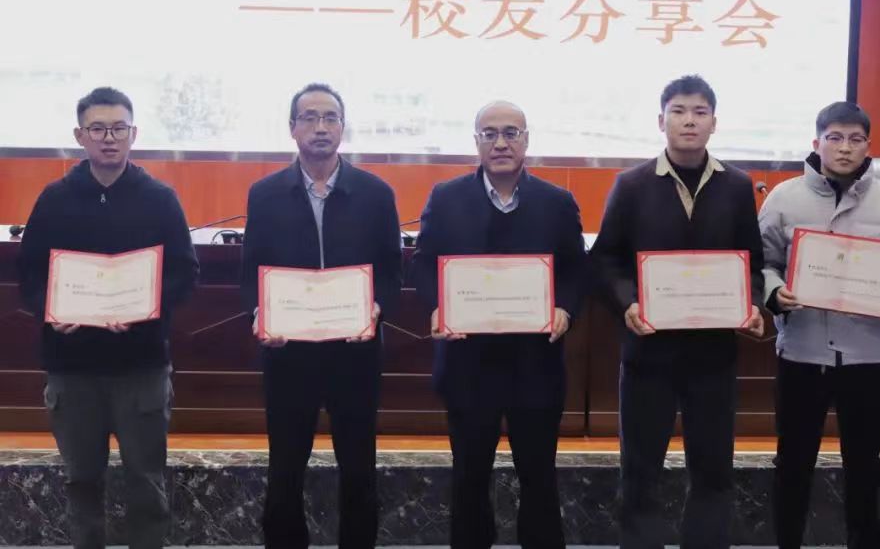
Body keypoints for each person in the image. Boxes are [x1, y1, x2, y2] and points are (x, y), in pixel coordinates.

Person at [17, 86, 199, 549]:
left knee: (147, 481)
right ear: (80, 136)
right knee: (81, 482)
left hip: (141, 367)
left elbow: (185, 273)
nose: (109, 138)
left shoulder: (160, 199)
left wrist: (145, 309)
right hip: (72, 369)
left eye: (119, 128)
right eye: (97, 129)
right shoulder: (54, 199)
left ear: (134, 134)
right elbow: (29, 274)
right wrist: (50, 312)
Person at [591, 74, 765, 549]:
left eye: (699, 112)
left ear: (714, 123)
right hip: (649, 353)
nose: (689, 121)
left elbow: (752, 261)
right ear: (661, 120)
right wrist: (627, 302)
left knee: (713, 471)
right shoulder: (631, 185)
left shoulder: (737, 186)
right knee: (640, 471)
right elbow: (606, 259)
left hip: (713, 355)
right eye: (679, 112)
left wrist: (751, 303)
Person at [410, 100, 588, 549]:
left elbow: (576, 270)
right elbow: (424, 263)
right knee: (469, 480)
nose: (501, 142)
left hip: (535, 366)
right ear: (476, 141)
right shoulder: (446, 198)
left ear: (527, 140)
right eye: (489, 134)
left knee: (539, 480)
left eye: (511, 132)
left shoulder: (556, 202)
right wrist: (437, 305)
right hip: (468, 365)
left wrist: (565, 308)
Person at [241, 83, 402, 549]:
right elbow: (251, 271)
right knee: (285, 470)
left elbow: (392, 271)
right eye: (309, 117)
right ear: (292, 128)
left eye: (330, 117)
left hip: (355, 355)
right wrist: (260, 313)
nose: (320, 127)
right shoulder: (265, 194)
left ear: (342, 127)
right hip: (288, 355)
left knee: (359, 470)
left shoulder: (376, 194)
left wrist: (377, 306)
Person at [757, 101, 880, 549]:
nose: (845, 147)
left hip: (868, 355)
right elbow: (763, 263)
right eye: (834, 138)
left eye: (855, 139)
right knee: (793, 464)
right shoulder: (784, 198)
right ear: (817, 143)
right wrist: (774, 291)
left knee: (864, 467)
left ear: (868, 145)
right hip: (802, 353)